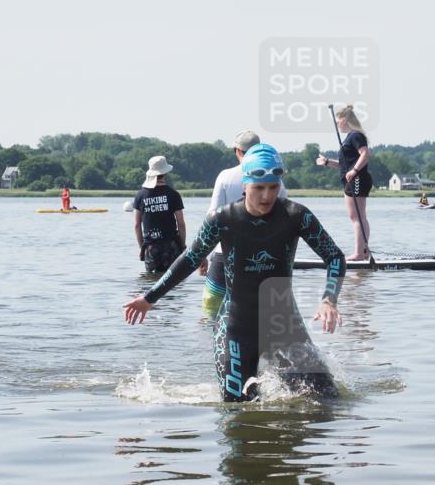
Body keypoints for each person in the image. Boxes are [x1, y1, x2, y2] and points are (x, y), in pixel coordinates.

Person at [124, 145, 345, 402]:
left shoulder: (296, 216)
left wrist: (329, 300)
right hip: (236, 326)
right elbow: (189, 259)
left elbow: (335, 257)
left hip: (284, 324)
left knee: (326, 402)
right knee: (238, 407)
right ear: (245, 185)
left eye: (273, 187)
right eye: (259, 188)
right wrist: (149, 298)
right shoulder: (222, 220)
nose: (267, 196)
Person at [199, 130, 288, 312]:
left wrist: (201, 256)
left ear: (238, 151)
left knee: (210, 314)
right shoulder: (276, 182)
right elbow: (283, 223)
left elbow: (212, 218)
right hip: (261, 260)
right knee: (257, 316)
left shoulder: (225, 176)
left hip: (223, 255)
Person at [316, 104, 372, 261]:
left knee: (357, 217)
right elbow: (343, 165)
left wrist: (354, 171)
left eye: (338, 121)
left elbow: (365, 154)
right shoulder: (350, 138)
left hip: (357, 179)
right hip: (354, 180)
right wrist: (327, 162)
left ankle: (360, 253)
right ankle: (363, 252)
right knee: (359, 217)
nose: (337, 124)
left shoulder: (355, 135)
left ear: (345, 120)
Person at [133, 156, 187, 273]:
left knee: (152, 281)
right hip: (171, 246)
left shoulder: (140, 195)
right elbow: (181, 223)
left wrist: (142, 247)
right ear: (165, 173)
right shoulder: (173, 194)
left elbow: (137, 225)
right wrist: (182, 246)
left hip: (151, 247)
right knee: (173, 280)